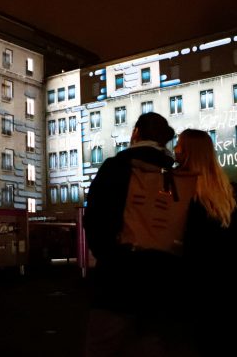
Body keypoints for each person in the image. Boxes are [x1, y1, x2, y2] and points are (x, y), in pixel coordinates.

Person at [83, 112, 187, 357]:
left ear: (136, 133)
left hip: (118, 277)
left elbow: (96, 219)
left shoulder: (115, 167)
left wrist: (110, 256)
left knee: (102, 346)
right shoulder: (173, 174)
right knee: (151, 344)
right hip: (162, 278)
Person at [174, 129, 237, 357]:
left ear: (188, 152)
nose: (174, 149)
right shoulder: (229, 201)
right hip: (230, 292)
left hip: (194, 291)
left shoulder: (180, 190)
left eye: (179, 144)